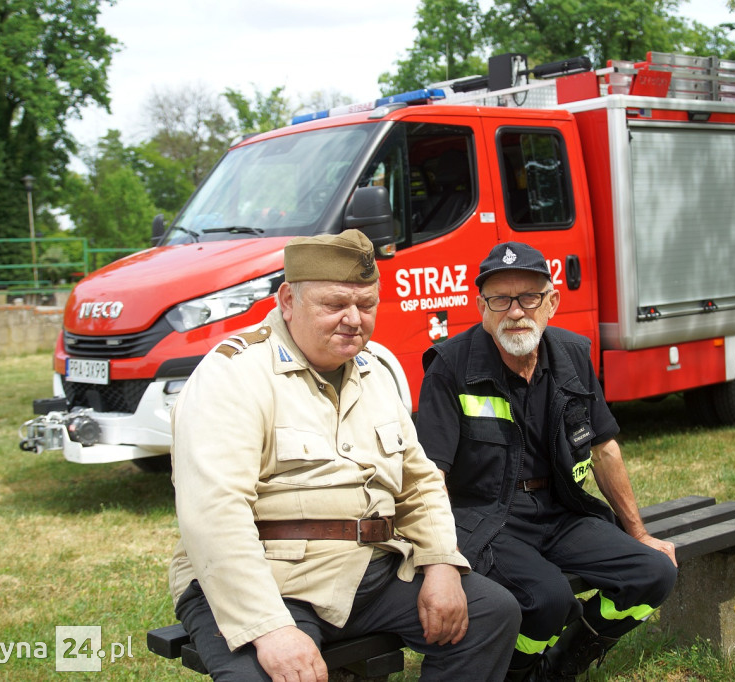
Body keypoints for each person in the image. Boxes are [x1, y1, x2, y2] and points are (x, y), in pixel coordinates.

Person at [168, 230, 520, 681]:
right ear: (288, 301)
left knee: (490, 614)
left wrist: (440, 562)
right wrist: (271, 628)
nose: (354, 320)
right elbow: (213, 513)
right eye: (334, 305)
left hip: (364, 568)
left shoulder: (371, 369)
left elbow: (419, 480)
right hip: (270, 579)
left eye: (366, 305)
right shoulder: (234, 376)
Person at [416, 242, 679, 681]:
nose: (515, 311)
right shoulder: (449, 367)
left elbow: (604, 448)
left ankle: (563, 664)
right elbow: (431, 476)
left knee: (652, 572)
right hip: (486, 518)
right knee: (548, 598)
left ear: (551, 302)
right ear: (481, 306)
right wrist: (443, 556)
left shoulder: (572, 354)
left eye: (529, 297)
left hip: (561, 510)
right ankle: (519, 671)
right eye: (500, 299)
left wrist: (640, 534)